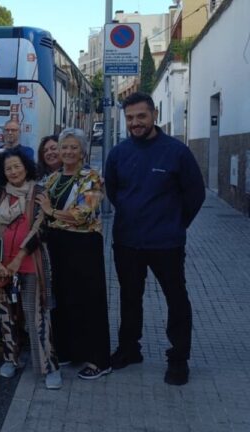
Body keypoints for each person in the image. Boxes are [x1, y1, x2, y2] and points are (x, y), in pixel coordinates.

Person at [105, 92, 205, 386]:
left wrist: (174, 224)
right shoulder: (119, 153)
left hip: (167, 244)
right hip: (127, 241)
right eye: (130, 118)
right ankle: (129, 349)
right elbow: (113, 192)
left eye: (141, 116)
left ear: (154, 116)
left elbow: (195, 195)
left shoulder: (177, 152)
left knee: (176, 299)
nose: (135, 123)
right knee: (129, 298)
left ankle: (178, 359)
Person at [0, 149, 61, 390]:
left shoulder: (38, 192)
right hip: (1, 267)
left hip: (29, 265)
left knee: (36, 316)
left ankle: (49, 367)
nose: (13, 172)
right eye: (8, 168)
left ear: (26, 167)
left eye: (17, 166)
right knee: (7, 315)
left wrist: (16, 261)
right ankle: (10, 359)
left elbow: (39, 229)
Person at [36, 128, 111, 380]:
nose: (67, 152)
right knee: (64, 299)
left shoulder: (92, 177)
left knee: (90, 300)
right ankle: (70, 350)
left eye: (73, 147)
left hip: (84, 245)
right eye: (64, 147)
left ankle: (100, 359)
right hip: (57, 245)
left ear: (83, 151)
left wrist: (50, 212)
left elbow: (83, 214)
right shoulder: (54, 177)